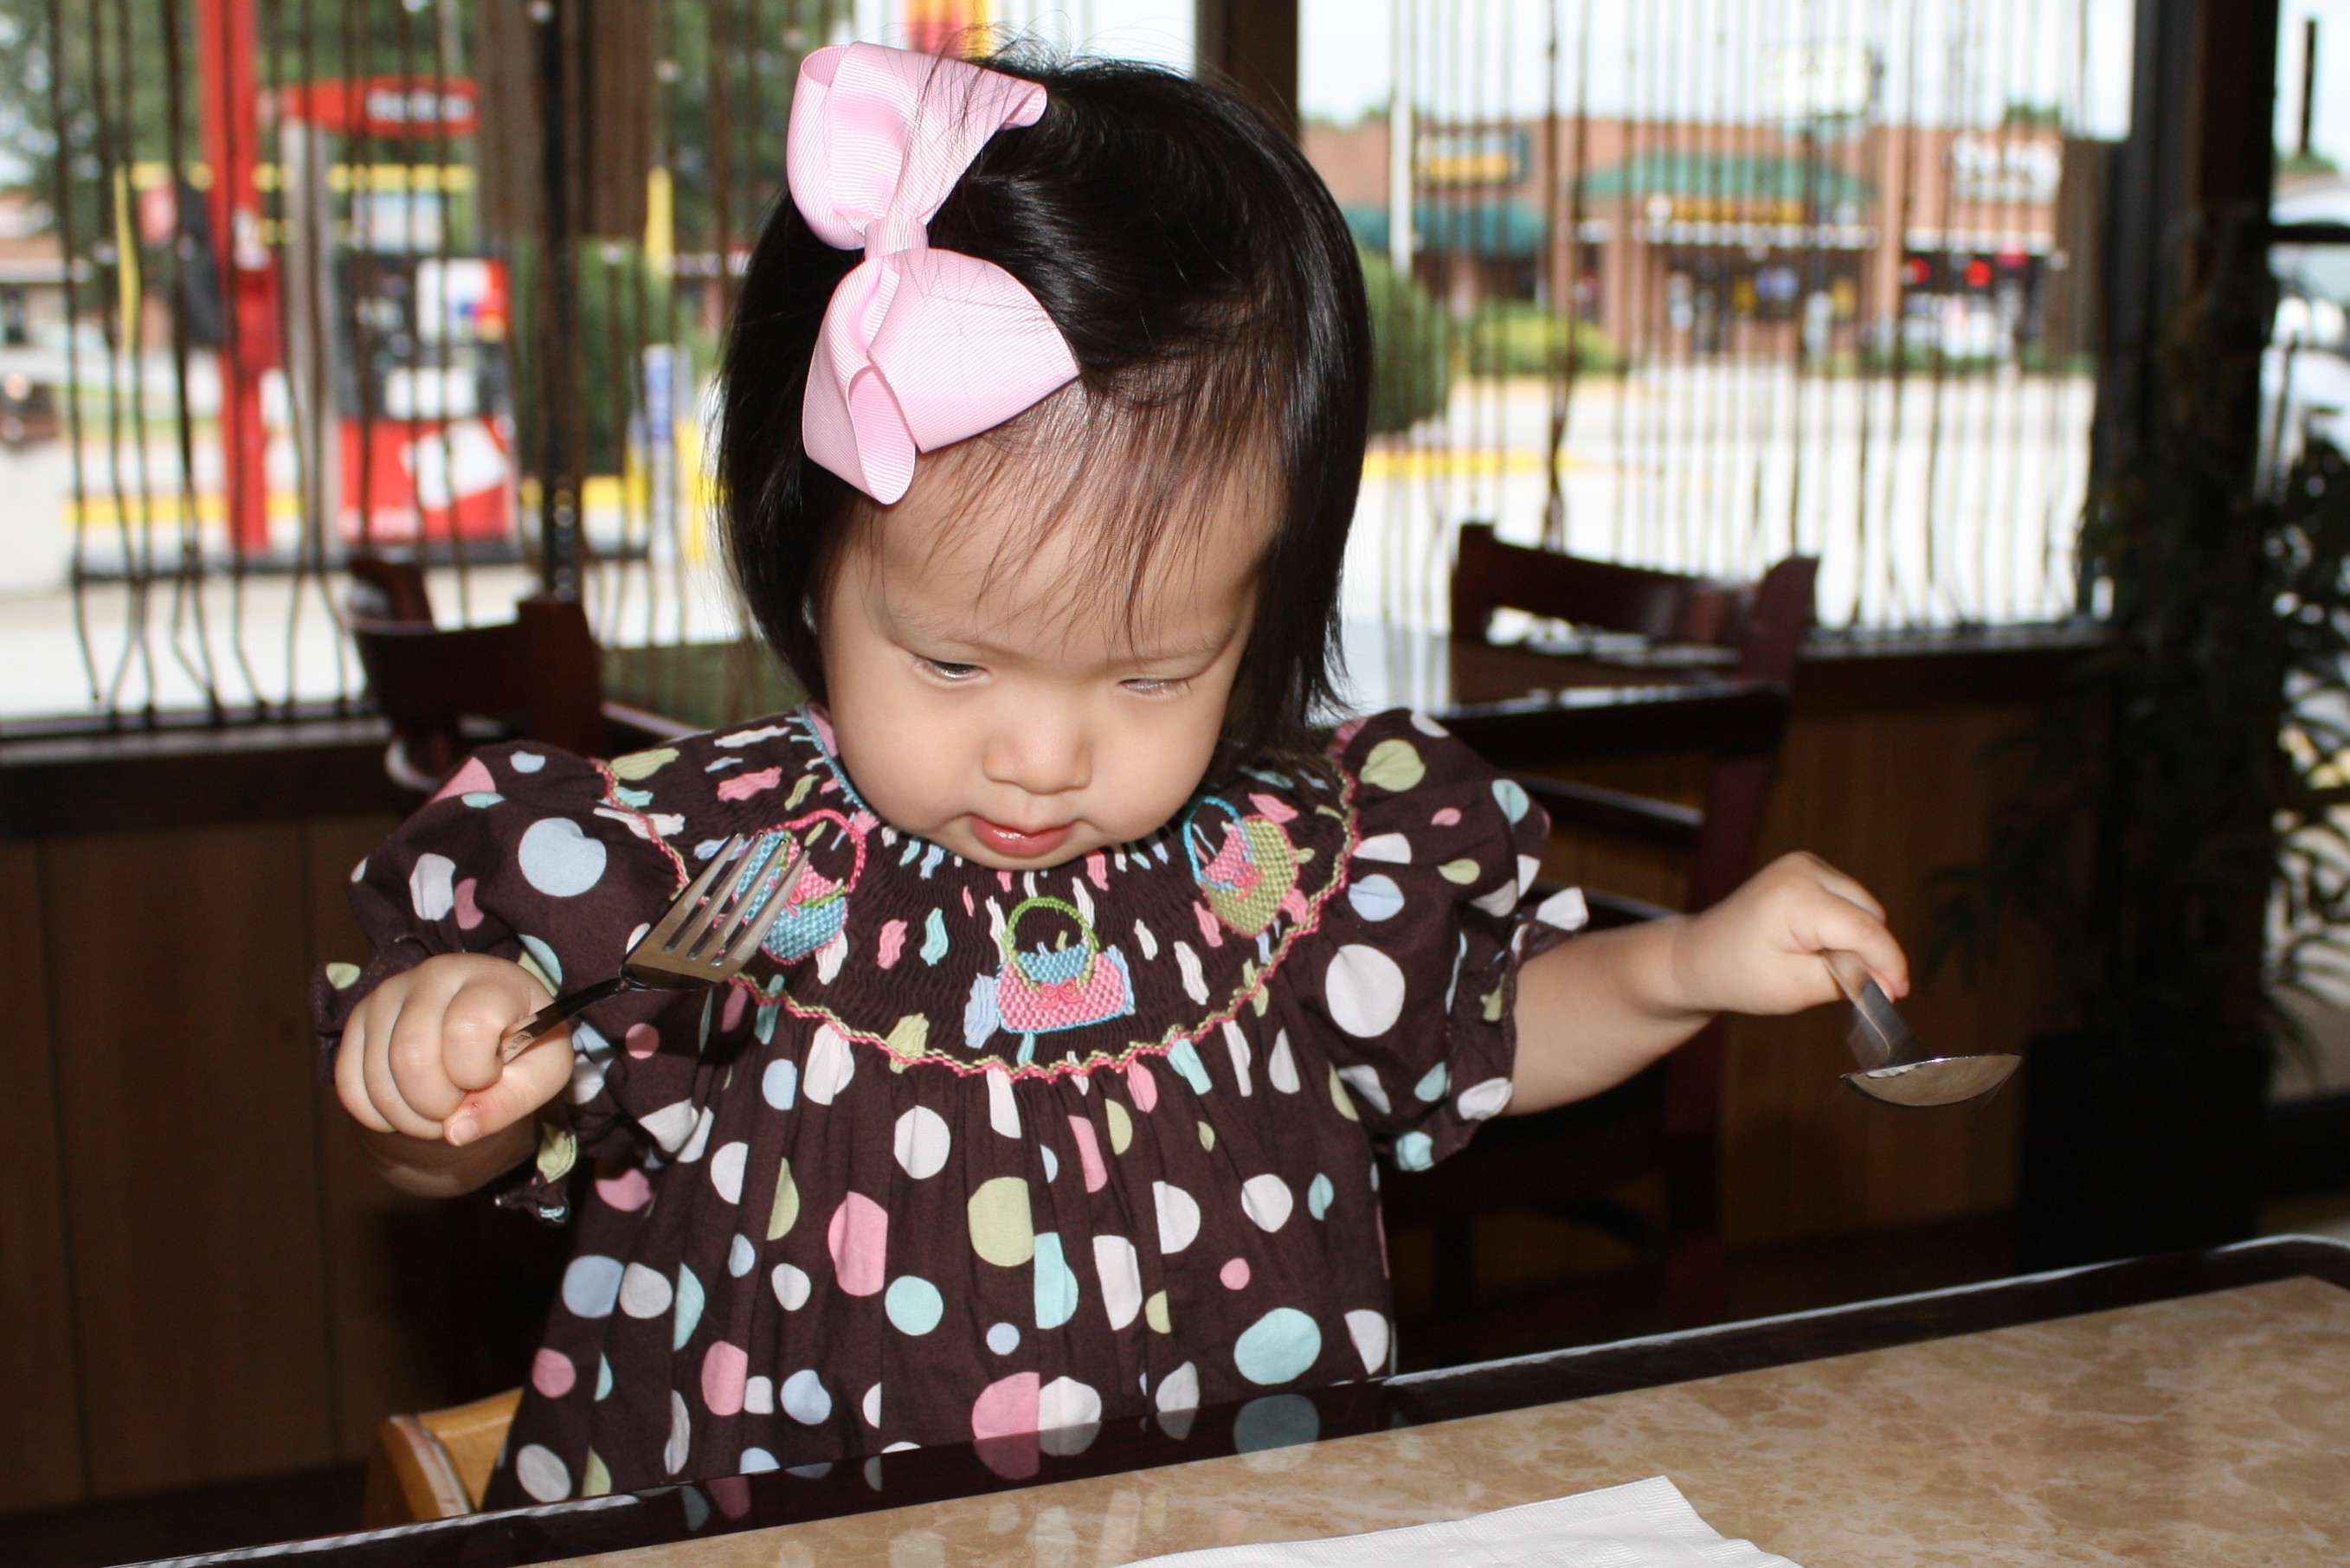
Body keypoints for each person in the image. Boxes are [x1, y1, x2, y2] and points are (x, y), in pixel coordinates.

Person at [319, 42, 1908, 1507]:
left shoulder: (1262, 865)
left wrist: (1688, 965)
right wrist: (441, 1080)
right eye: (954, 665)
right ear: (813, 566)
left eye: (1153, 677)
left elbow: (1476, 1031)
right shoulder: (741, 884)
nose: (1043, 758)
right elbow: (497, 1110)